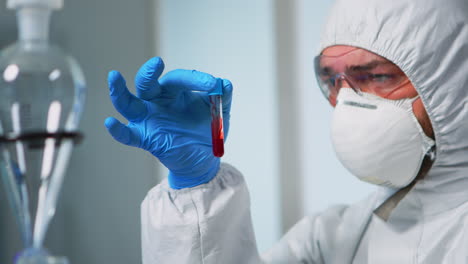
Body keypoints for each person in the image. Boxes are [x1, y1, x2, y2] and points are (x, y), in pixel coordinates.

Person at [104, 0, 468, 263]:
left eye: (375, 76)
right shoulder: (334, 238)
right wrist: (194, 186)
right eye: (332, 80)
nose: (346, 102)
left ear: (454, 82)